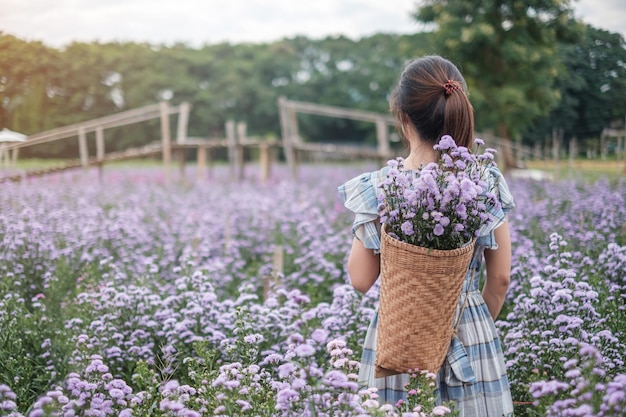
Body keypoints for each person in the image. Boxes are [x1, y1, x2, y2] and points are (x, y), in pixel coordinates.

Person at [337, 55, 515, 416]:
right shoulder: (485, 181)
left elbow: (359, 279)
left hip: (399, 338)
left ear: (403, 116)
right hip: (468, 334)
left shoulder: (381, 187)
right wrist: (470, 322)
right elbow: (500, 278)